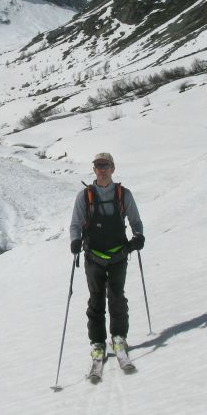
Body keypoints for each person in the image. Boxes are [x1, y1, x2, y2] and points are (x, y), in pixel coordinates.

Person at [69, 152, 144, 363]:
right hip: (93, 256)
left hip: (119, 254)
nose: (102, 170)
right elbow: (75, 224)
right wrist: (75, 240)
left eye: (106, 165)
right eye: (98, 166)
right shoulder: (84, 196)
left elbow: (135, 221)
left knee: (117, 298)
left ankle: (119, 337)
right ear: (94, 170)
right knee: (96, 300)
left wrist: (138, 236)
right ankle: (98, 342)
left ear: (113, 168)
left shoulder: (124, 194)